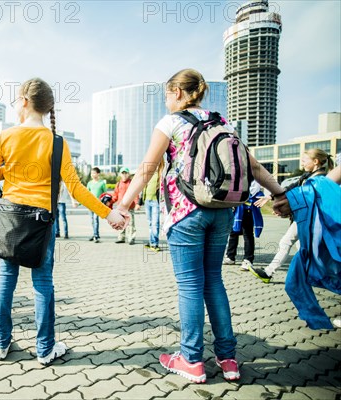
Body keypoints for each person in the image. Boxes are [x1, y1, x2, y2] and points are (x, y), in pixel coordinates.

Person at [115, 69, 288, 383]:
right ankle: (228, 358)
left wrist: (122, 206)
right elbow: (254, 165)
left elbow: (146, 168)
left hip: (186, 214)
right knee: (214, 282)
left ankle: (191, 359)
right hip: (222, 211)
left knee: (191, 286)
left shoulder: (171, 123)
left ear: (179, 93)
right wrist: (279, 193)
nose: (166, 101)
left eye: (167, 95)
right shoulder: (224, 123)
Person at [0, 78, 128, 365]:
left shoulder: (5, 136)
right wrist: (109, 214)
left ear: (24, 100)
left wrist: (10, 168)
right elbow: (76, 188)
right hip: (41, 224)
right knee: (43, 282)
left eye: (15, 100)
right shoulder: (57, 143)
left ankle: (0, 344)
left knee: (5, 279)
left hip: (10, 219)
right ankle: (45, 348)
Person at [249, 149, 335, 283]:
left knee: (287, 242)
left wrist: (283, 208)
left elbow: (303, 198)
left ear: (315, 161)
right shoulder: (307, 176)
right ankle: (315, 276)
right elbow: (290, 189)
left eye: (304, 160)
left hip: (309, 219)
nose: (302, 163)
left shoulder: (320, 179)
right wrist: (270, 196)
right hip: (303, 218)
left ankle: (269, 272)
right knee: (301, 247)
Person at [223, 180, 264, 270]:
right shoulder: (239, 171)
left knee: (247, 234)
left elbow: (253, 190)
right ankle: (230, 256)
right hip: (237, 208)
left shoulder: (254, 173)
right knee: (233, 232)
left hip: (247, 207)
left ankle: (248, 260)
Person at [112, 167, 140, 245]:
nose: (124, 175)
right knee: (120, 222)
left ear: (128, 174)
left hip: (129, 207)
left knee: (131, 223)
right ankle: (121, 237)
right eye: (122, 173)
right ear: (120, 174)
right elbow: (115, 195)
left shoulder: (131, 183)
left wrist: (137, 203)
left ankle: (131, 238)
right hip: (120, 207)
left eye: (125, 173)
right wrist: (110, 202)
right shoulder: (118, 184)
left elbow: (135, 194)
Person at [142, 168, 161, 251]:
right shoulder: (149, 174)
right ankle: (151, 241)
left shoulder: (161, 174)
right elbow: (144, 187)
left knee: (155, 223)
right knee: (150, 223)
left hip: (156, 201)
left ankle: (155, 243)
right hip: (147, 200)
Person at [86, 167, 107, 243]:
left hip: (98, 205)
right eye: (91, 173)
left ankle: (96, 236)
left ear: (98, 174)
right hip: (90, 205)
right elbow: (86, 194)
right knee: (92, 220)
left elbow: (105, 194)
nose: (92, 175)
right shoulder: (89, 183)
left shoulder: (102, 183)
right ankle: (94, 234)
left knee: (95, 219)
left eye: (94, 173)